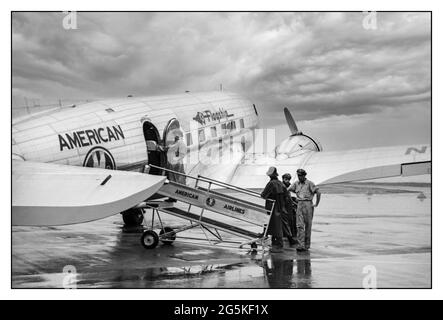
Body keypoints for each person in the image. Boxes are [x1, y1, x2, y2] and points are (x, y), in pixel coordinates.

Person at [288, 169, 321, 251]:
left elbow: (318, 192)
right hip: (299, 204)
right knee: (299, 226)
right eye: (298, 175)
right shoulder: (296, 183)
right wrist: (291, 199)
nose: (299, 177)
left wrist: (316, 203)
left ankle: (307, 245)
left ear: (304, 175)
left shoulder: (309, 183)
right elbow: (288, 189)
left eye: (301, 175)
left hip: (308, 204)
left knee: (308, 225)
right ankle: (300, 245)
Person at [261, 166, 287, 253]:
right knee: (277, 226)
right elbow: (286, 196)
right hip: (280, 207)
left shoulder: (271, 184)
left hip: (271, 207)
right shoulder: (281, 183)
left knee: (269, 224)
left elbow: (263, 195)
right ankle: (278, 244)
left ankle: (277, 246)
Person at [282, 173, 297, 243]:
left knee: (291, 221)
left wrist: (293, 200)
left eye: (288, 179)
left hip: (289, 206)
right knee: (287, 222)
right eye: (286, 179)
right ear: (283, 179)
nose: (287, 181)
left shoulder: (287, 186)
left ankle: (290, 236)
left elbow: (288, 196)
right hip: (285, 207)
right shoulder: (282, 186)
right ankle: (288, 236)